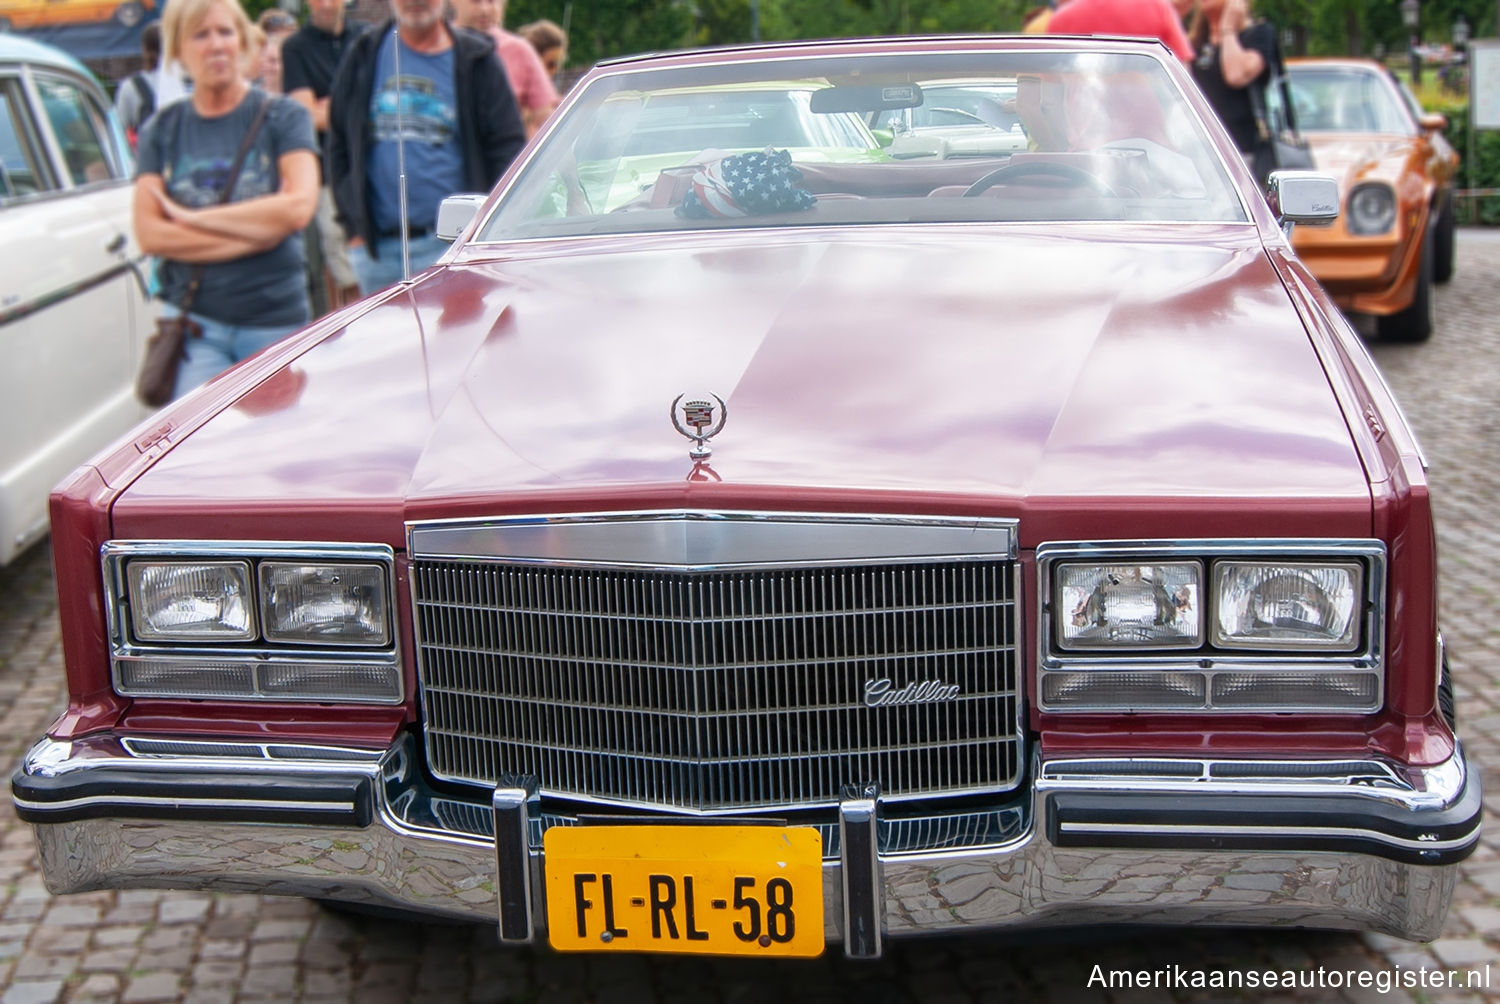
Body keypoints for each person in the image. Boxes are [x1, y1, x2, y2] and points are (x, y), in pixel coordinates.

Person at [133, 0, 320, 401]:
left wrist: (187, 218)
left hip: (274, 321)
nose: (216, 45)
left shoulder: (284, 117)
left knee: (276, 448)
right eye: (200, 35)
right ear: (179, 50)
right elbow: (150, 234)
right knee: (202, 455)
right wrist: (258, 232)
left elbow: (299, 207)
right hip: (196, 326)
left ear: (242, 41)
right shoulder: (162, 130)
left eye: (225, 32)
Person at [327, 0, 526, 295]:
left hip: (453, 251)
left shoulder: (477, 60)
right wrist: (354, 228)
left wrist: (486, 234)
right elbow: (338, 142)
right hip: (378, 253)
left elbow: (508, 151)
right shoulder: (363, 54)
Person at [282, 0, 363, 309]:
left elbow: (386, 102)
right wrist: (359, 106)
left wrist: (329, 106)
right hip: (328, 171)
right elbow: (305, 115)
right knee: (338, 251)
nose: (326, 4)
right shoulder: (296, 48)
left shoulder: (366, 38)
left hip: (369, 167)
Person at [1188, 0, 1275, 179]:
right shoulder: (1198, 41)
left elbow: (1236, 75)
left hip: (1243, 152)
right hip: (1201, 151)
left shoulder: (1258, 34)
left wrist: (1227, 30)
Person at [450, 0, 557, 137]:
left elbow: (547, 120)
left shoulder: (519, 50)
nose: (485, 9)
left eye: (491, 1)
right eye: (475, 1)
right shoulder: (436, 47)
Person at [1046, 0, 1193, 62]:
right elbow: (1182, 70)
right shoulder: (1157, 6)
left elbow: (1048, 86)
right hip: (1151, 119)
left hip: (1083, 119)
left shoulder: (1062, 19)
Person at [116, 22, 161, 151]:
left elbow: (119, 129)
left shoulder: (131, 86)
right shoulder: (191, 83)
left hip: (147, 162)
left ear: (144, 49)